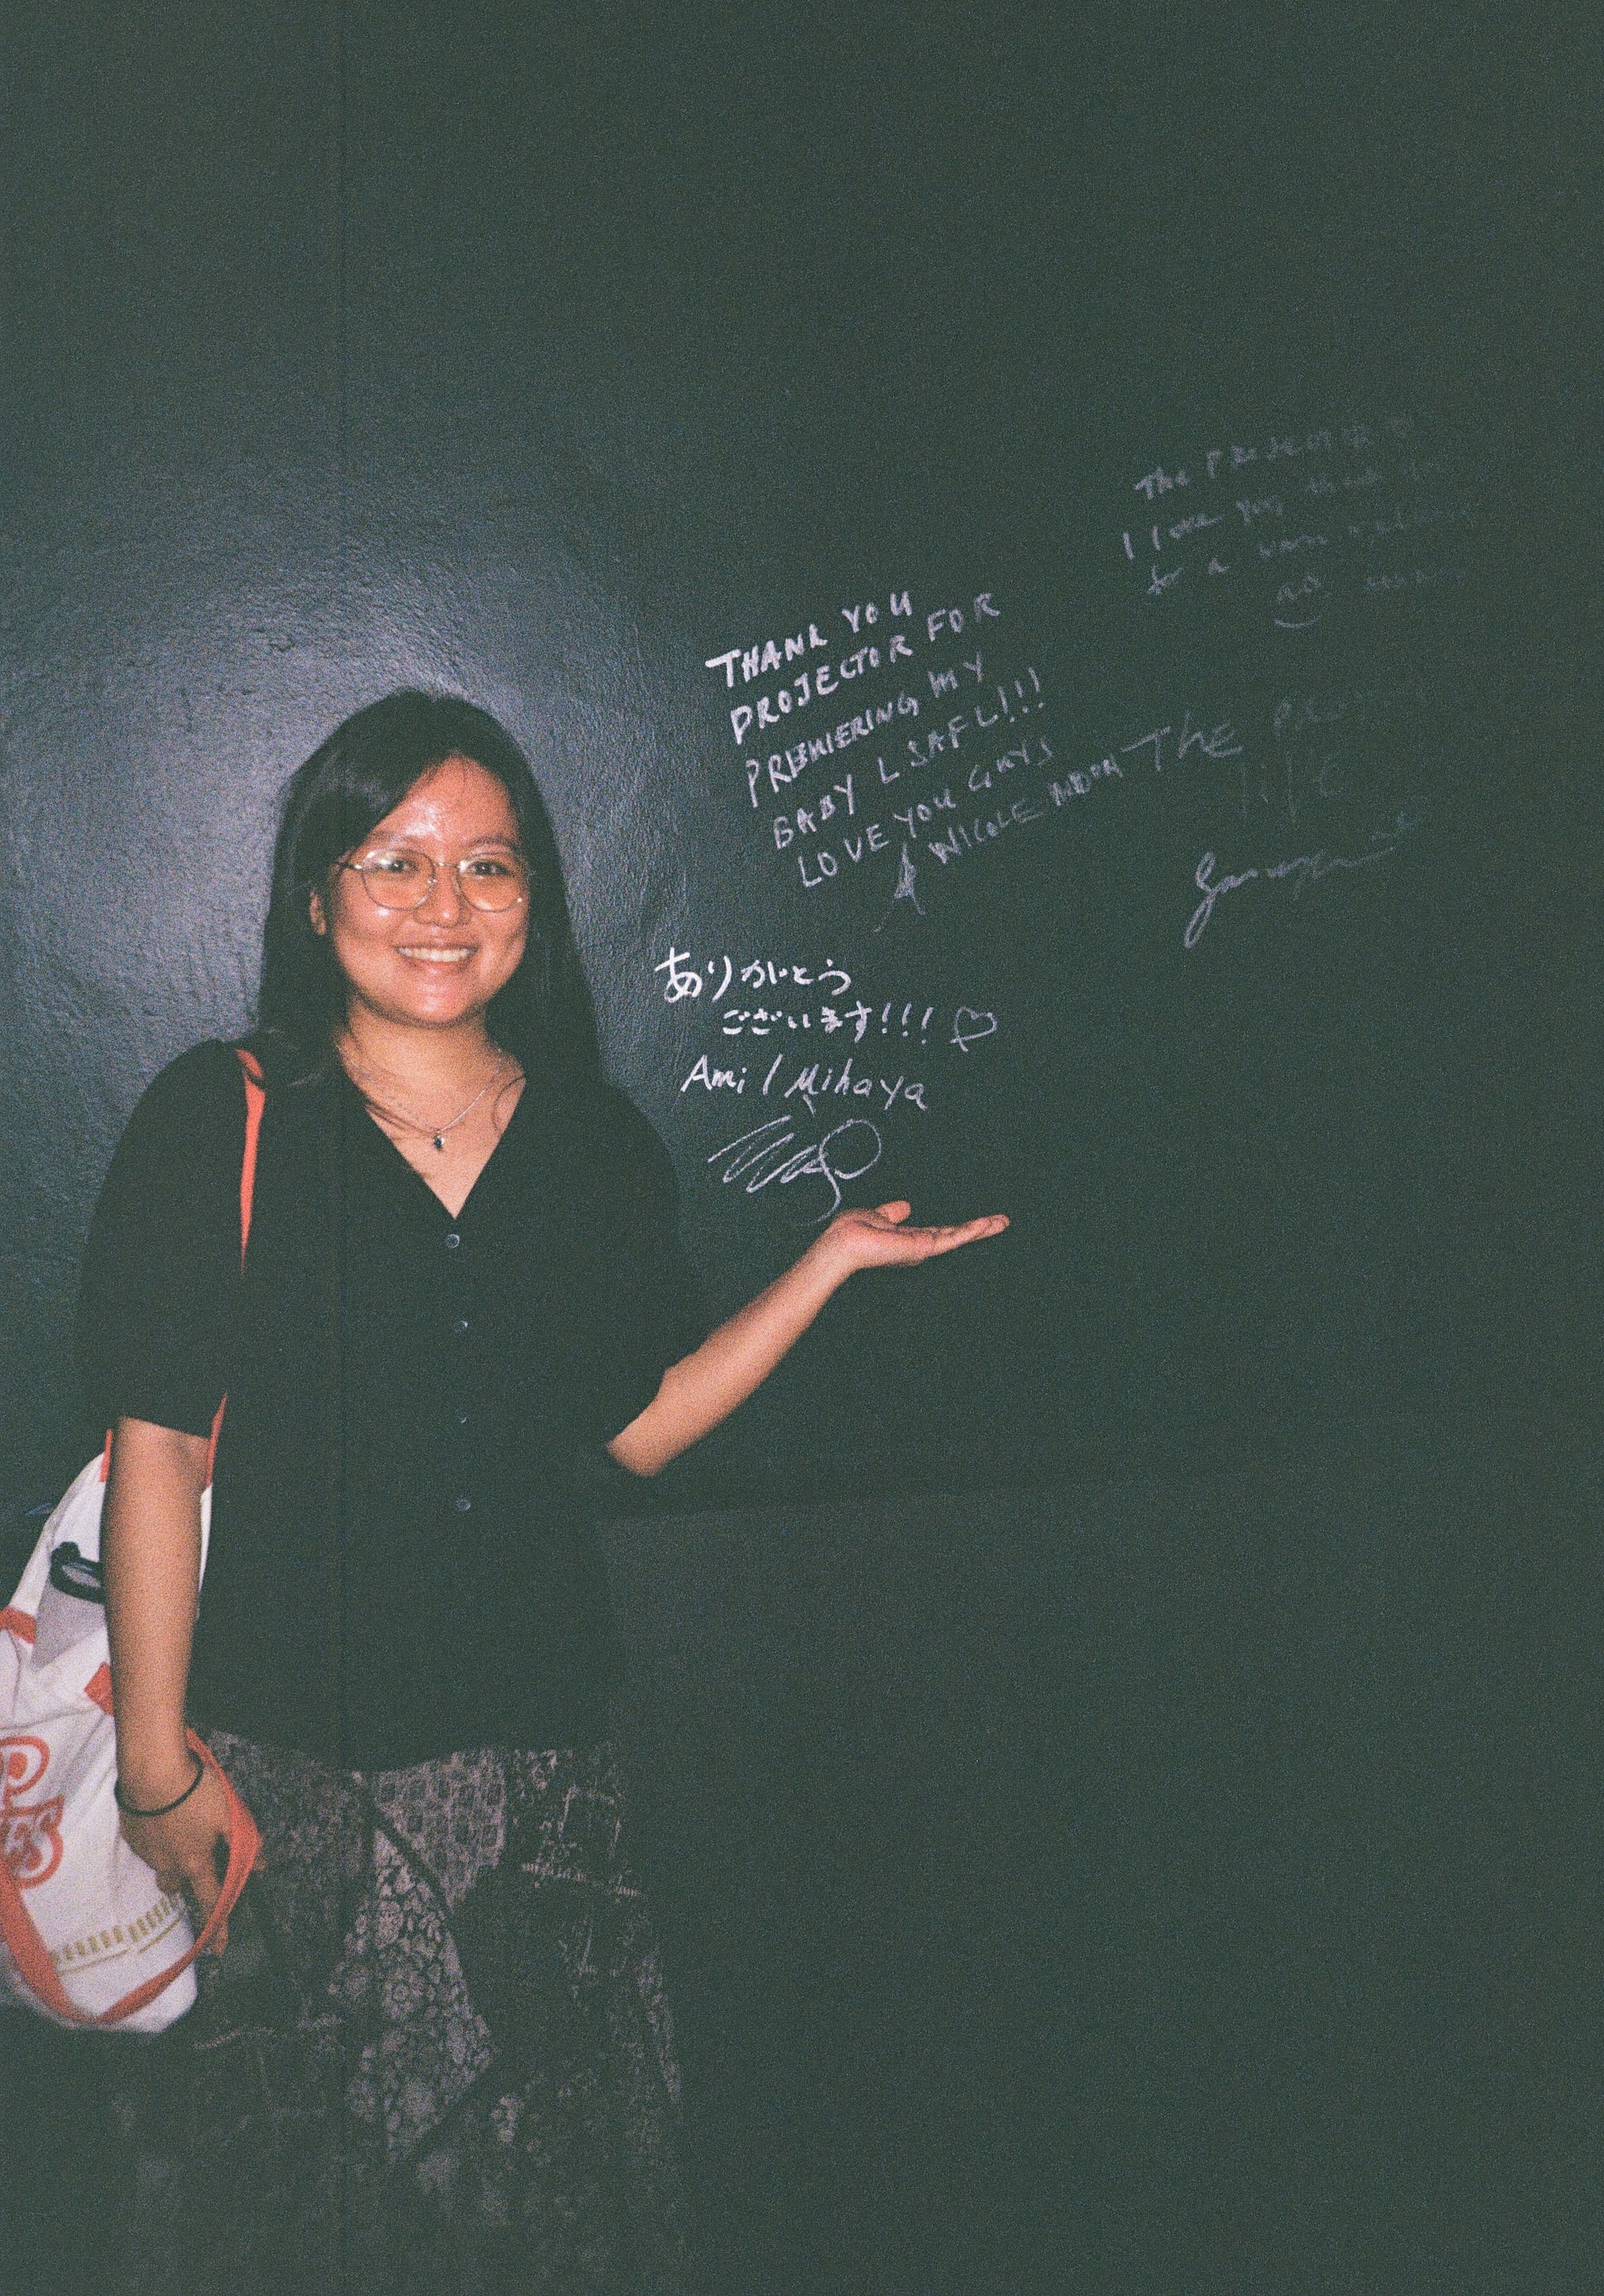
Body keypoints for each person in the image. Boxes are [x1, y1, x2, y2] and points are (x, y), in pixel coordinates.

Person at [78, 689, 1006, 2294]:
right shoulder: (221, 1115)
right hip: (285, 1765)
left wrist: (825, 1266)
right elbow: (157, 1448)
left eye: (490, 866)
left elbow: (638, 1429)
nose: (444, 905)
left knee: (544, 2198)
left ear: (536, 904)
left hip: (536, 1769)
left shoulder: (589, 1143)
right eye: (394, 861)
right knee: (295, 2204)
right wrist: (157, 1766)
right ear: (317, 898)